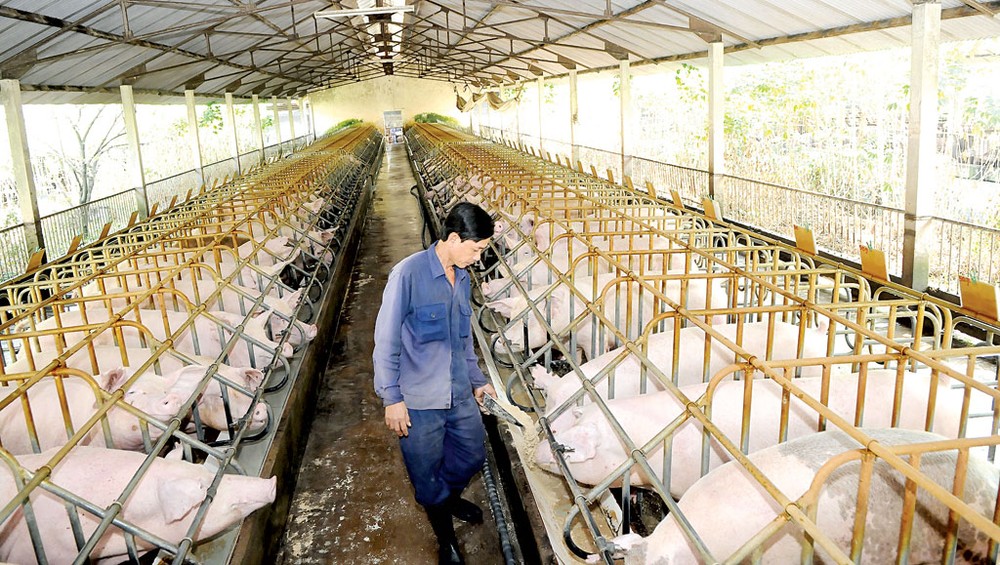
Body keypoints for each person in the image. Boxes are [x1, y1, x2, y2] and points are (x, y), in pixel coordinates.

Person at [373, 202, 497, 564]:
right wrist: (391, 398)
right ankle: (446, 538)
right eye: (475, 249)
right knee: (425, 475)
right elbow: (386, 341)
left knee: (472, 454)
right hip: (419, 401)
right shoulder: (408, 275)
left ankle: (448, 497)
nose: (477, 258)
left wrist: (477, 380)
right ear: (454, 238)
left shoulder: (463, 277)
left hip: (457, 390)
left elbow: (462, 337)